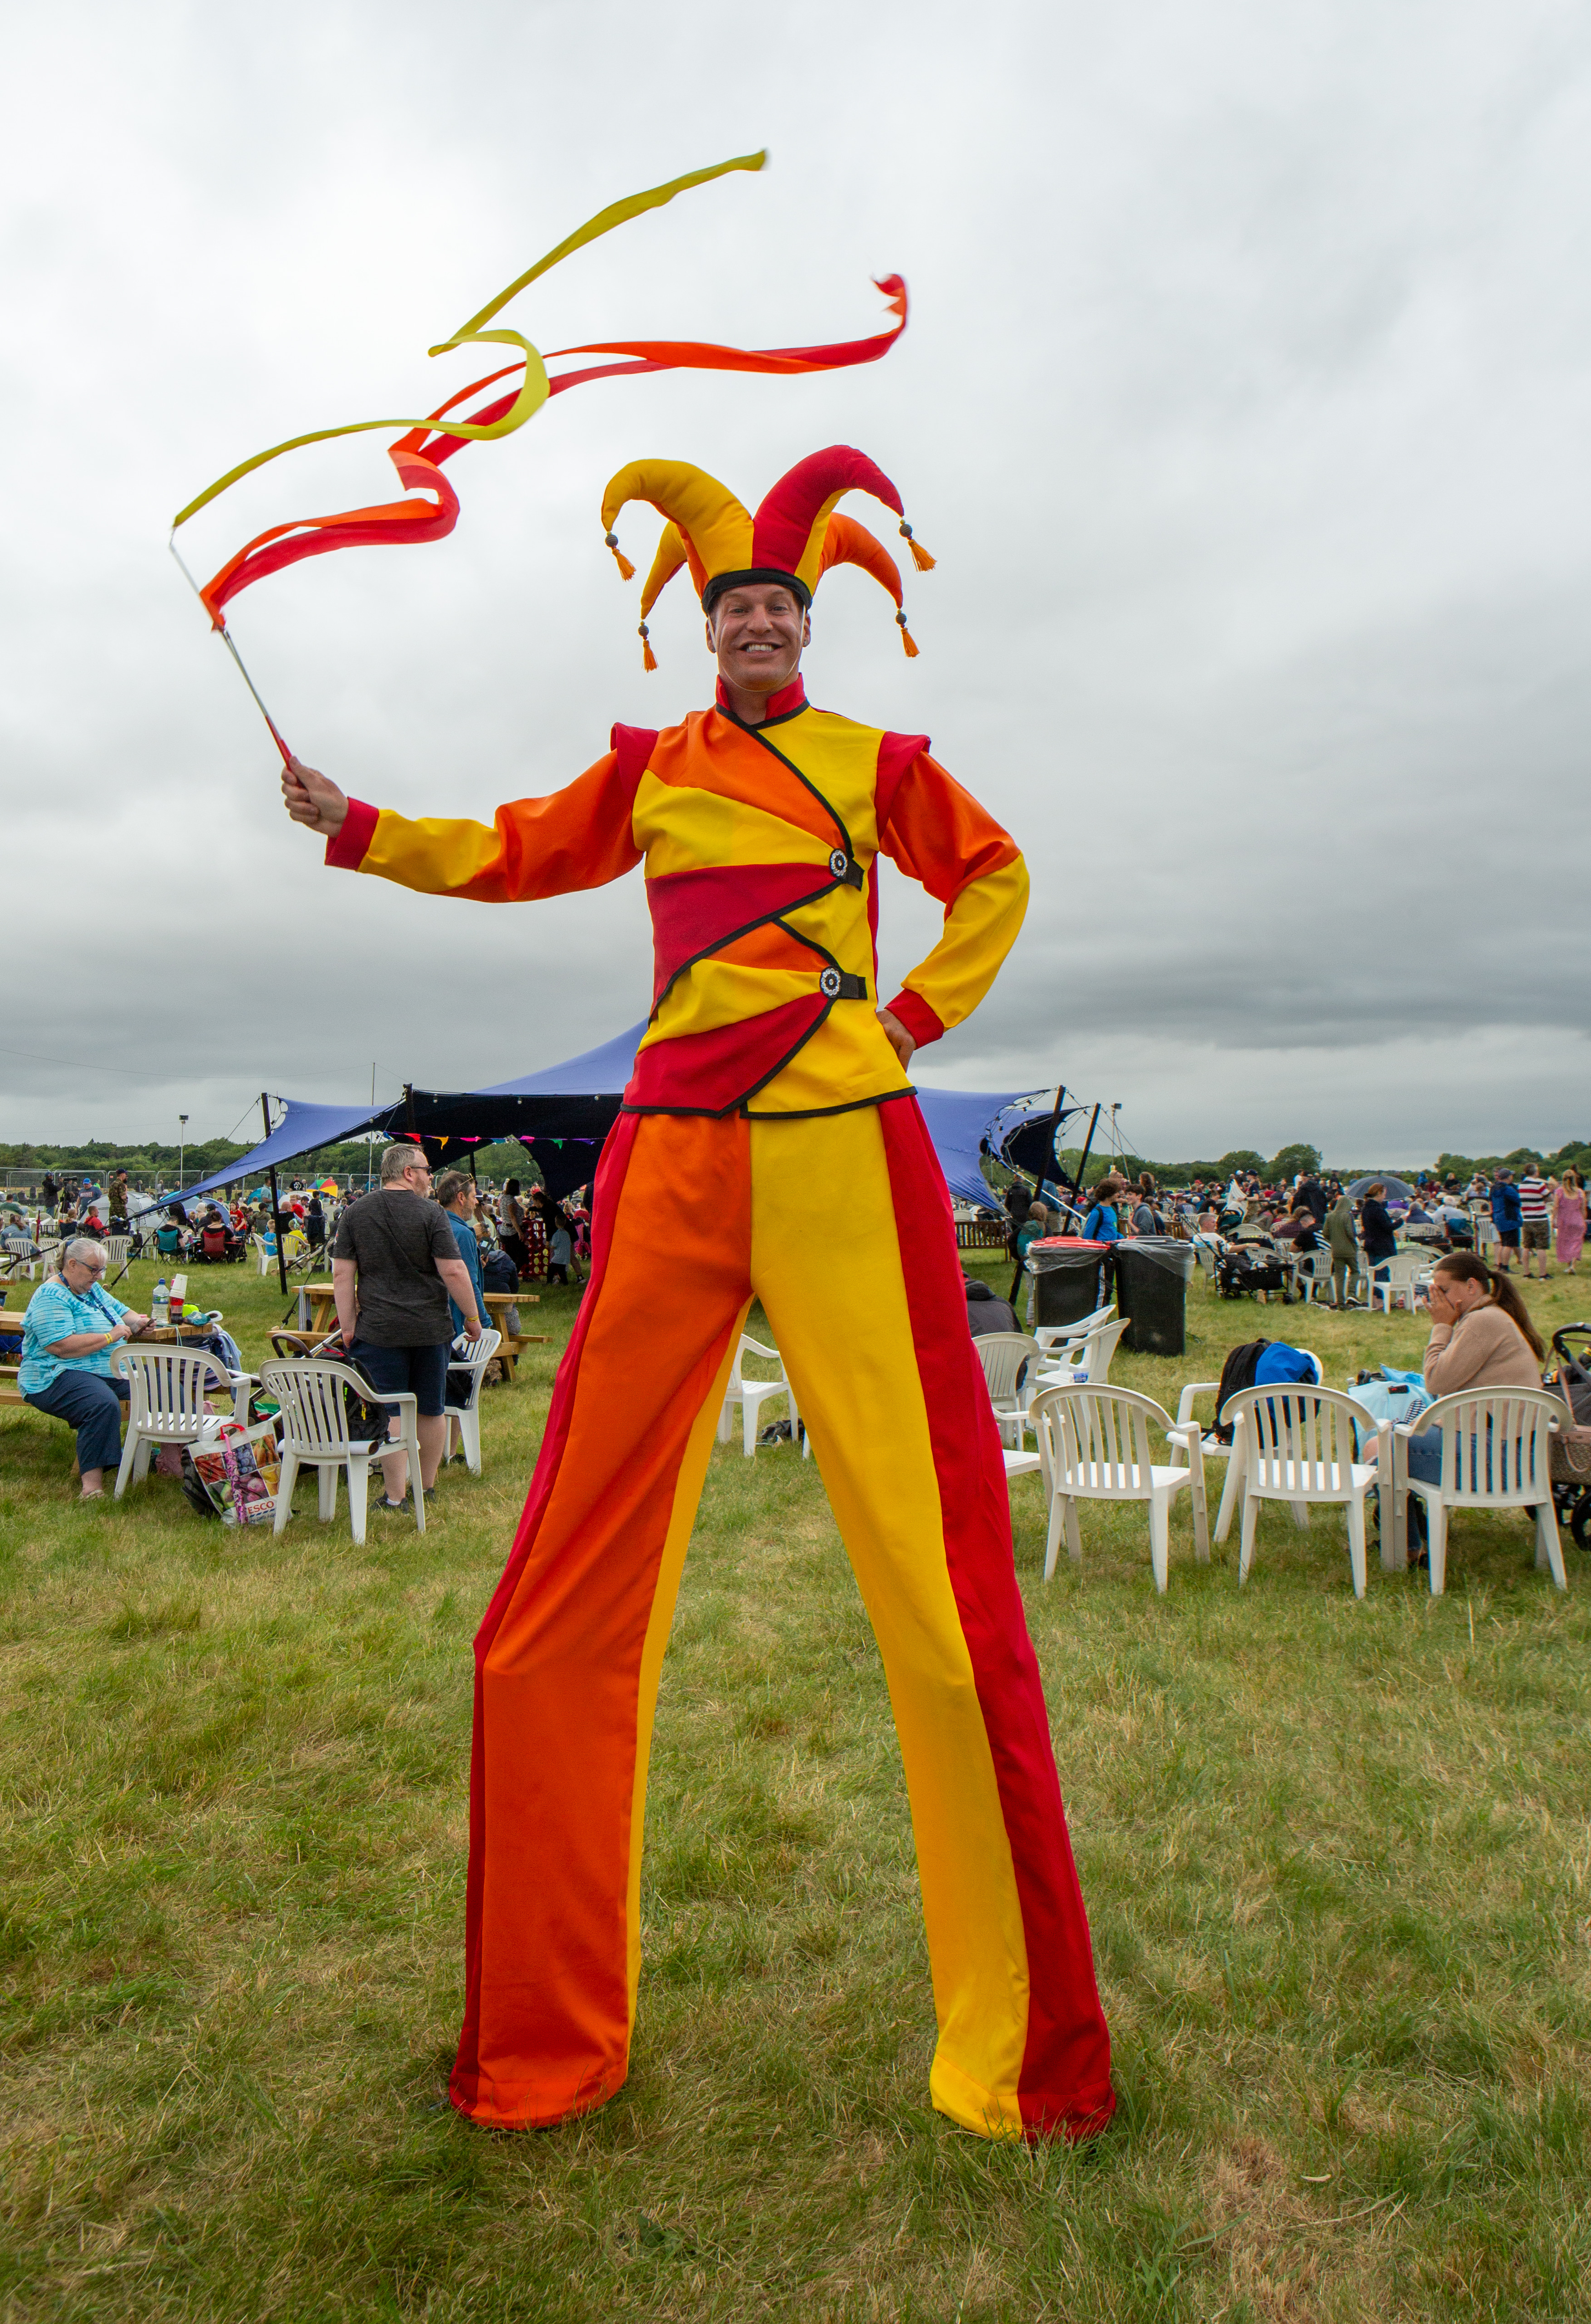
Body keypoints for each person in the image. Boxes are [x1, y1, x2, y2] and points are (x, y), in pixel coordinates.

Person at [281, 438, 1113, 2143]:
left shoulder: (882, 764)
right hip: (672, 1148)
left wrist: (921, 1014)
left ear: (807, 630)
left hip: (844, 1148)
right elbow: (514, 849)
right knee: (551, 1606)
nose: (751, 623)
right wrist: (358, 826)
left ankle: (1022, 2049)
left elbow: (1000, 872)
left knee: (948, 1598)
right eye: (730, 603)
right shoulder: (653, 768)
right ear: (704, 626)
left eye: (774, 606)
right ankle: (540, 2036)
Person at [332, 1144, 482, 1508]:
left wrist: (348, 1327)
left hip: (379, 1329)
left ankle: (396, 1495)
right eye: (427, 1170)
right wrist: (473, 1318)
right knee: (431, 1409)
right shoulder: (431, 1214)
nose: (431, 1177)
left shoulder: (355, 1213)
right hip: (430, 1329)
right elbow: (453, 1269)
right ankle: (425, 1489)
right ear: (408, 1173)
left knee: (392, 1411)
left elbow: (342, 1274)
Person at [1368, 1252, 1545, 1560]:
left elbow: (1436, 1381)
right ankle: (1403, 1534)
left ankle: (1403, 1546)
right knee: (1386, 1441)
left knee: (1381, 1446)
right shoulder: (1491, 1315)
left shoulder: (1481, 1321)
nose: (1437, 1300)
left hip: (1500, 1463)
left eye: (1444, 1291)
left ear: (1472, 1287)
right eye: (1433, 1291)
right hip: (1515, 1457)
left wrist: (1440, 1327)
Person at [19, 1238, 152, 1498]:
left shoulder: (90, 1289)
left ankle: (170, 1464)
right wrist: (109, 1337)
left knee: (164, 1387)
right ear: (72, 1264)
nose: (99, 1276)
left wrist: (139, 1324)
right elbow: (61, 1346)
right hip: (54, 1374)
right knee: (101, 1403)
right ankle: (92, 1488)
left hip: (107, 1370)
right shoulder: (51, 1295)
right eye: (94, 1269)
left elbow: (124, 1313)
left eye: (102, 1270)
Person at [435, 1172, 493, 1334]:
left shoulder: (434, 1226)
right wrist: (481, 1320)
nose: (476, 1202)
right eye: (473, 1197)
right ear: (461, 1198)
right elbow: (469, 1283)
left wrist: (475, 1262)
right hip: (457, 1318)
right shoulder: (463, 1233)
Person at [1358, 1182, 1397, 1293]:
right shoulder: (1377, 1209)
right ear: (1379, 1193)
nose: (1385, 1196)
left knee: (1374, 1273)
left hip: (1371, 1243)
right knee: (1381, 1273)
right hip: (1382, 1245)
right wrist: (1401, 1221)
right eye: (1384, 1194)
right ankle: (1380, 1299)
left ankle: (1376, 1299)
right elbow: (1387, 1227)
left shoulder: (1366, 1208)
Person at [1517, 1162, 1553, 1280]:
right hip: (1540, 1218)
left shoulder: (1521, 1186)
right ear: (1535, 1172)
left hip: (1527, 1218)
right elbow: (1549, 1198)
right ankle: (1543, 1274)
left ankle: (1527, 1273)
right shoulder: (1540, 1184)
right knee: (1541, 1247)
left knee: (1527, 1246)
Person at [1327, 1186, 1361, 1309]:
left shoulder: (1329, 1217)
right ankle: (1352, 1293)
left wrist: (1333, 1241)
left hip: (1336, 1251)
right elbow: (1351, 1233)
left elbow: (1326, 1233)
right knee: (1355, 1271)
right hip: (1349, 1250)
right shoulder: (1348, 1216)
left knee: (1339, 1277)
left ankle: (1340, 1303)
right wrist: (1354, 1243)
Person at [1554, 1168, 1586, 1275]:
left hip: (1565, 1221)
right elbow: (1583, 1209)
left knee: (1566, 1243)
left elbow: (1556, 1207)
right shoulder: (1580, 1192)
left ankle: (1569, 1266)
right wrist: (1584, 1221)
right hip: (1578, 1220)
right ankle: (1572, 1266)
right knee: (1576, 1242)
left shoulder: (1559, 1192)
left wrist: (1554, 1219)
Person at [1489, 1169, 1521, 1272]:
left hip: (1499, 1217)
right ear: (1508, 1177)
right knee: (1509, 1244)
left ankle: (1501, 1264)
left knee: (1503, 1243)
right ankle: (1505, 1267)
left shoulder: (1493, 1189)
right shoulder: (1508, 1189)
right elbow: (1518, 1201)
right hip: (1510, 1217)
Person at [1080, 1177, 1122, 1247]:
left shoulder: (1113, 1209)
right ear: (1109, 1193)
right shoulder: (1097, 1212)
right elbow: (1088, 1235)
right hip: (1102, 1250)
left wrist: (1123, 1238)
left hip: (1113, 1249)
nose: (1118, 1195)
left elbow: (1113, 1230)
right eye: (1116, 1192)